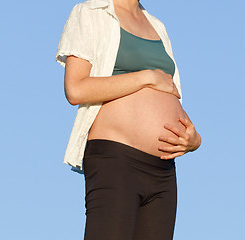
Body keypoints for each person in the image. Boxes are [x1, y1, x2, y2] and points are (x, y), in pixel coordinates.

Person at [55, 0, 201, 239]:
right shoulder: (90, 13)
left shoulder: (158, 26)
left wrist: (194, 140)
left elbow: (171, 92)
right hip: (116, 159)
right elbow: (76, 89)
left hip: (163, 169)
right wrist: (146, 77)